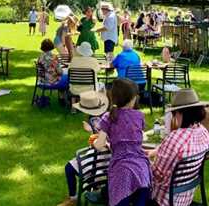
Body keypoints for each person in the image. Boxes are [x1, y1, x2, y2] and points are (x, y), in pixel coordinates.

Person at [92, 78, 151, 206]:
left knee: (120, 199)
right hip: (142, 168)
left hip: (121, 169)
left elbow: (99, 145)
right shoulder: (139, 115)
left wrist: (95, 142)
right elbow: (134, 136)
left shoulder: (108, 117)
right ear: (132, 99)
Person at [149, 89, 209, 206]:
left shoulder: (174, 138)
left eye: (174, 113)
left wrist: (145, 161)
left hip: (163, 201)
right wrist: (156, 151)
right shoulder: (204, 132)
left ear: (181, 113)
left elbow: (158, 176)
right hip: (186, 198)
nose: (174, 116)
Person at [59, 90, 110, 206]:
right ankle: (95, 188)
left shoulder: (100, 118)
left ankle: (74, 198)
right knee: (79, 168)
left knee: (69, 168)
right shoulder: (106, 115)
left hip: (103, 153)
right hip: (105, 151)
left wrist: (90, 130)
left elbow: (101, 139)